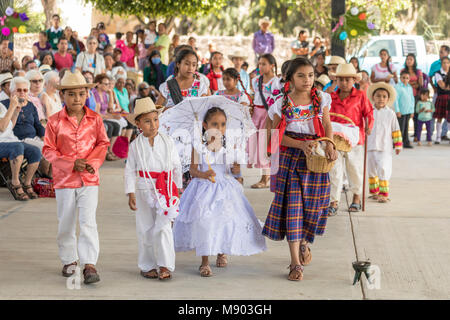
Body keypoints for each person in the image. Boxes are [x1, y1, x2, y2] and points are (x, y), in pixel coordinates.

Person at [263, 57, 337, 281]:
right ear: (290, 79)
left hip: (316, 156)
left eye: (311, 75)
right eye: (301, 76)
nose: (307, 80)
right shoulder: (281, 104)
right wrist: (300, 145)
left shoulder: (322, 98)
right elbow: (275, 135)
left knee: (316, 206)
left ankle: (305, 241)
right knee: (293, 209)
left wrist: (330, 144)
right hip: (291, 158)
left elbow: (326, 125)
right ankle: (295, 263)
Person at [173, 107, 266, 277]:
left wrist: (236, 168)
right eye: (215, 124)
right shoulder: (198, 148)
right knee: (205, 222)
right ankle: (204, 261)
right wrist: (204, 174)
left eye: (223, 124)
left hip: (224, 188)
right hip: (203, 188)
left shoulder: (229, 148)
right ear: (205, 125)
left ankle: (222, 251)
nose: (219, 128)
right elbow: (192, 171)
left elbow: (233, 172)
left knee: (225, 220)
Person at [42, 70, 110, 285]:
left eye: (81, 94)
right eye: (71, 95)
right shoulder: (54, 122)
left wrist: (92, 163)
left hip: (89, 179)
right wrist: (71, 163)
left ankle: (89, 264)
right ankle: (70, 259)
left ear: (86, 94)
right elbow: (48, 150)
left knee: (88, 221)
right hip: (64, 180)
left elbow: (102, 143)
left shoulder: (95, 119)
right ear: (63, 96)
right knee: (66, 221)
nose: (76, 99)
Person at [125, 97, 181, 280]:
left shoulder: (167, 141)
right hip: (143, 187)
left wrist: (177, 189)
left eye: (155, 120)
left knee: (164, 227)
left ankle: (165, 265)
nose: (153, 124)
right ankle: (147, 265)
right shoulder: (135, 145)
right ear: (139, 124)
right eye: (147, 121)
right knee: (145, 227)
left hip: (164, 188)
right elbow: (130, 170)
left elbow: (176, 166)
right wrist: (130, 192)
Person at [328, 63, 374, 214]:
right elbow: (326, 116)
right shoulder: (331, 96)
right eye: (341, 79)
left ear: (354, 80)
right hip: (335, 138)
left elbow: (368, 113)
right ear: (337, 80)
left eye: (348, 80)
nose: (344, 83)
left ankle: (356, 198)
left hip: (354, 139)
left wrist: (369, 126)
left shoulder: (360, 95)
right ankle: (333, 202)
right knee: (334, 170)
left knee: (354, 168)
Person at [0, 94, 41, 201]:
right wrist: (11, 107)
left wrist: (16, 112)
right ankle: (15, 182)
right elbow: (2, 127)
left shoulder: (1, 106)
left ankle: (27, 183)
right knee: (17, 147)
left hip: (9, 140)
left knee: (34, 151)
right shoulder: (5, 106)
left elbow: (9, 126)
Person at [366, 82, 402, 203]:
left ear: (388, 99)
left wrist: (398, 144)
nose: (381, 98)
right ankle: (374, 191)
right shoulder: (369, 112)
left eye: (384, 96)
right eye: (378, 96)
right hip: (370, 145)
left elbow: (395, 129)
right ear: (373, 97)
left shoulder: (390, 113)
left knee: (383, 169)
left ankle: (384, 193)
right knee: (371, 169)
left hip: (384, 147)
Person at [248, 53, 279, 189]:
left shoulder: (276, 82)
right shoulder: (256, 81)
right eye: (259, 64)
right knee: (256, 144)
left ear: (272, 66)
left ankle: (265, 178)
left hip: (268, 115)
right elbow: (255, 97)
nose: (261, 66)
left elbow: (276, 101)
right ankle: (264, 177)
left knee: (265, 144)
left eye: (264, 64)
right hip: (256, 114)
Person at [394, 70, 415, 148]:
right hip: (401, 111)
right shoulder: (397, 87)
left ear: (409, 79)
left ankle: (406, 142)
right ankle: (396, 143)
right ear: (400, 78)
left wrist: (412, 111)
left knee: (406, 128)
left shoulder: (409, 87)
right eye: (403, 78)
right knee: (399, 128)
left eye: (407, 78)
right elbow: (395, 100)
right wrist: (397, 110)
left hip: (408, 111)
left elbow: (412, 99)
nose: (405, 79)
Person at [432, 56, 450, 144]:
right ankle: (438, 137)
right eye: (444, 63)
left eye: (447, 63)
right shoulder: (438, 73)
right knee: (439, 118)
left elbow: (445, 86)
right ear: (441, 64)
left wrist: (446, 87)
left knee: (449, 118)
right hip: (442, 97)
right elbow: (442, 85)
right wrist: (446, 87)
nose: (446, 65)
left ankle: (446, 134)